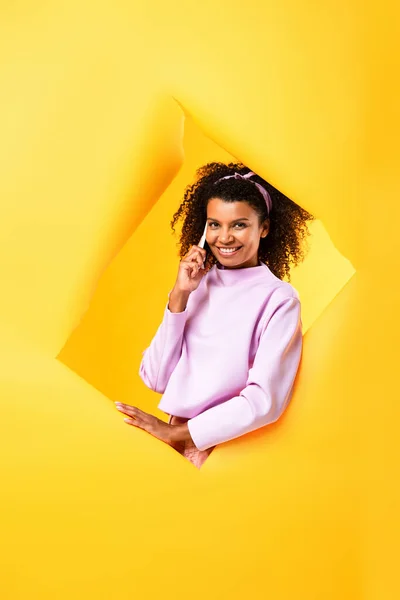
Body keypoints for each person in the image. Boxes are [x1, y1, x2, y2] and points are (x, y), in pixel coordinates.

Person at [114, 162, 315, 468]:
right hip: (175, 446)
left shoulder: (279, 299)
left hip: (231, 450)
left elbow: (264, 401)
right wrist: (179, 295)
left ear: (264, 227)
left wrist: (176, 433)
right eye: (214, 224)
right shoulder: (197, 285)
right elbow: (155, 378)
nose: (224, 237)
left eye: (239, 224)